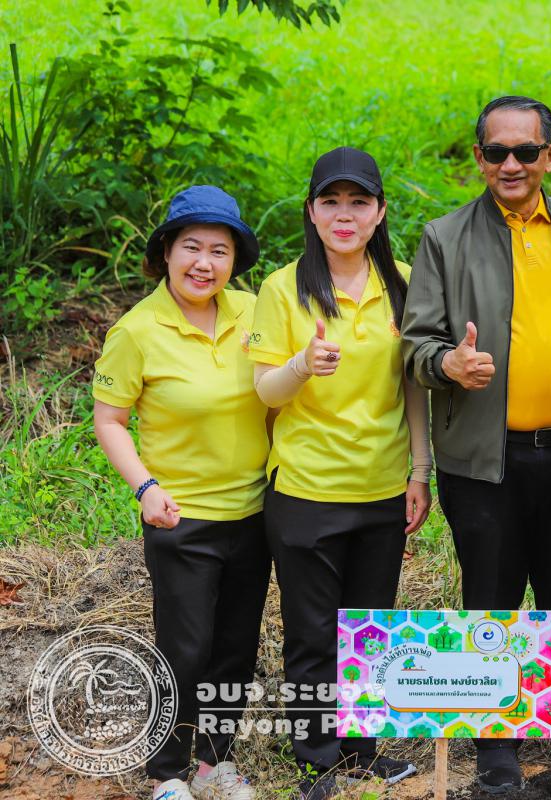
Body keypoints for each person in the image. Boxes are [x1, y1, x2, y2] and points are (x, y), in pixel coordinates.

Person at [401, 95, 551, 795]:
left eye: (525, 151)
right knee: (492, 599)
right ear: (479, 158)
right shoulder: (444, 237)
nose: (511, 164)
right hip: (483, 461)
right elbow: (414, 345)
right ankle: (497, 747)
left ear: (549, 157)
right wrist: (449, 364)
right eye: (496, 151)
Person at [249, 147, 432, 800]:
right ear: (311, 211)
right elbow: (265, 390)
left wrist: (420, 470)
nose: (344, 215)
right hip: (306, 490)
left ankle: (362, 754)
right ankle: (317, 761)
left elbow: (413, 385)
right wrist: (301, 365)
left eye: (359, 202)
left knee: (370, 632)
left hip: (382, 488)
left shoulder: (405, 283)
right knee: (312, 635)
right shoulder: (282, 288)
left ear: (380, 212)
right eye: (331, 202)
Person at [93, 185, 269, 800]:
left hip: (255, 512)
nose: (204, 263)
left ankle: (215, 764)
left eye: (219, 251)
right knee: (185, 650)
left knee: (235, 648)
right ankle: (167, 771)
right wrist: (145, 486)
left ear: (234, 260)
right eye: (191, 247)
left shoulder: (255, 312)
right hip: (180, 518)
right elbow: (109, 420)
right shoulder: (137, 330)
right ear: (166, 251)